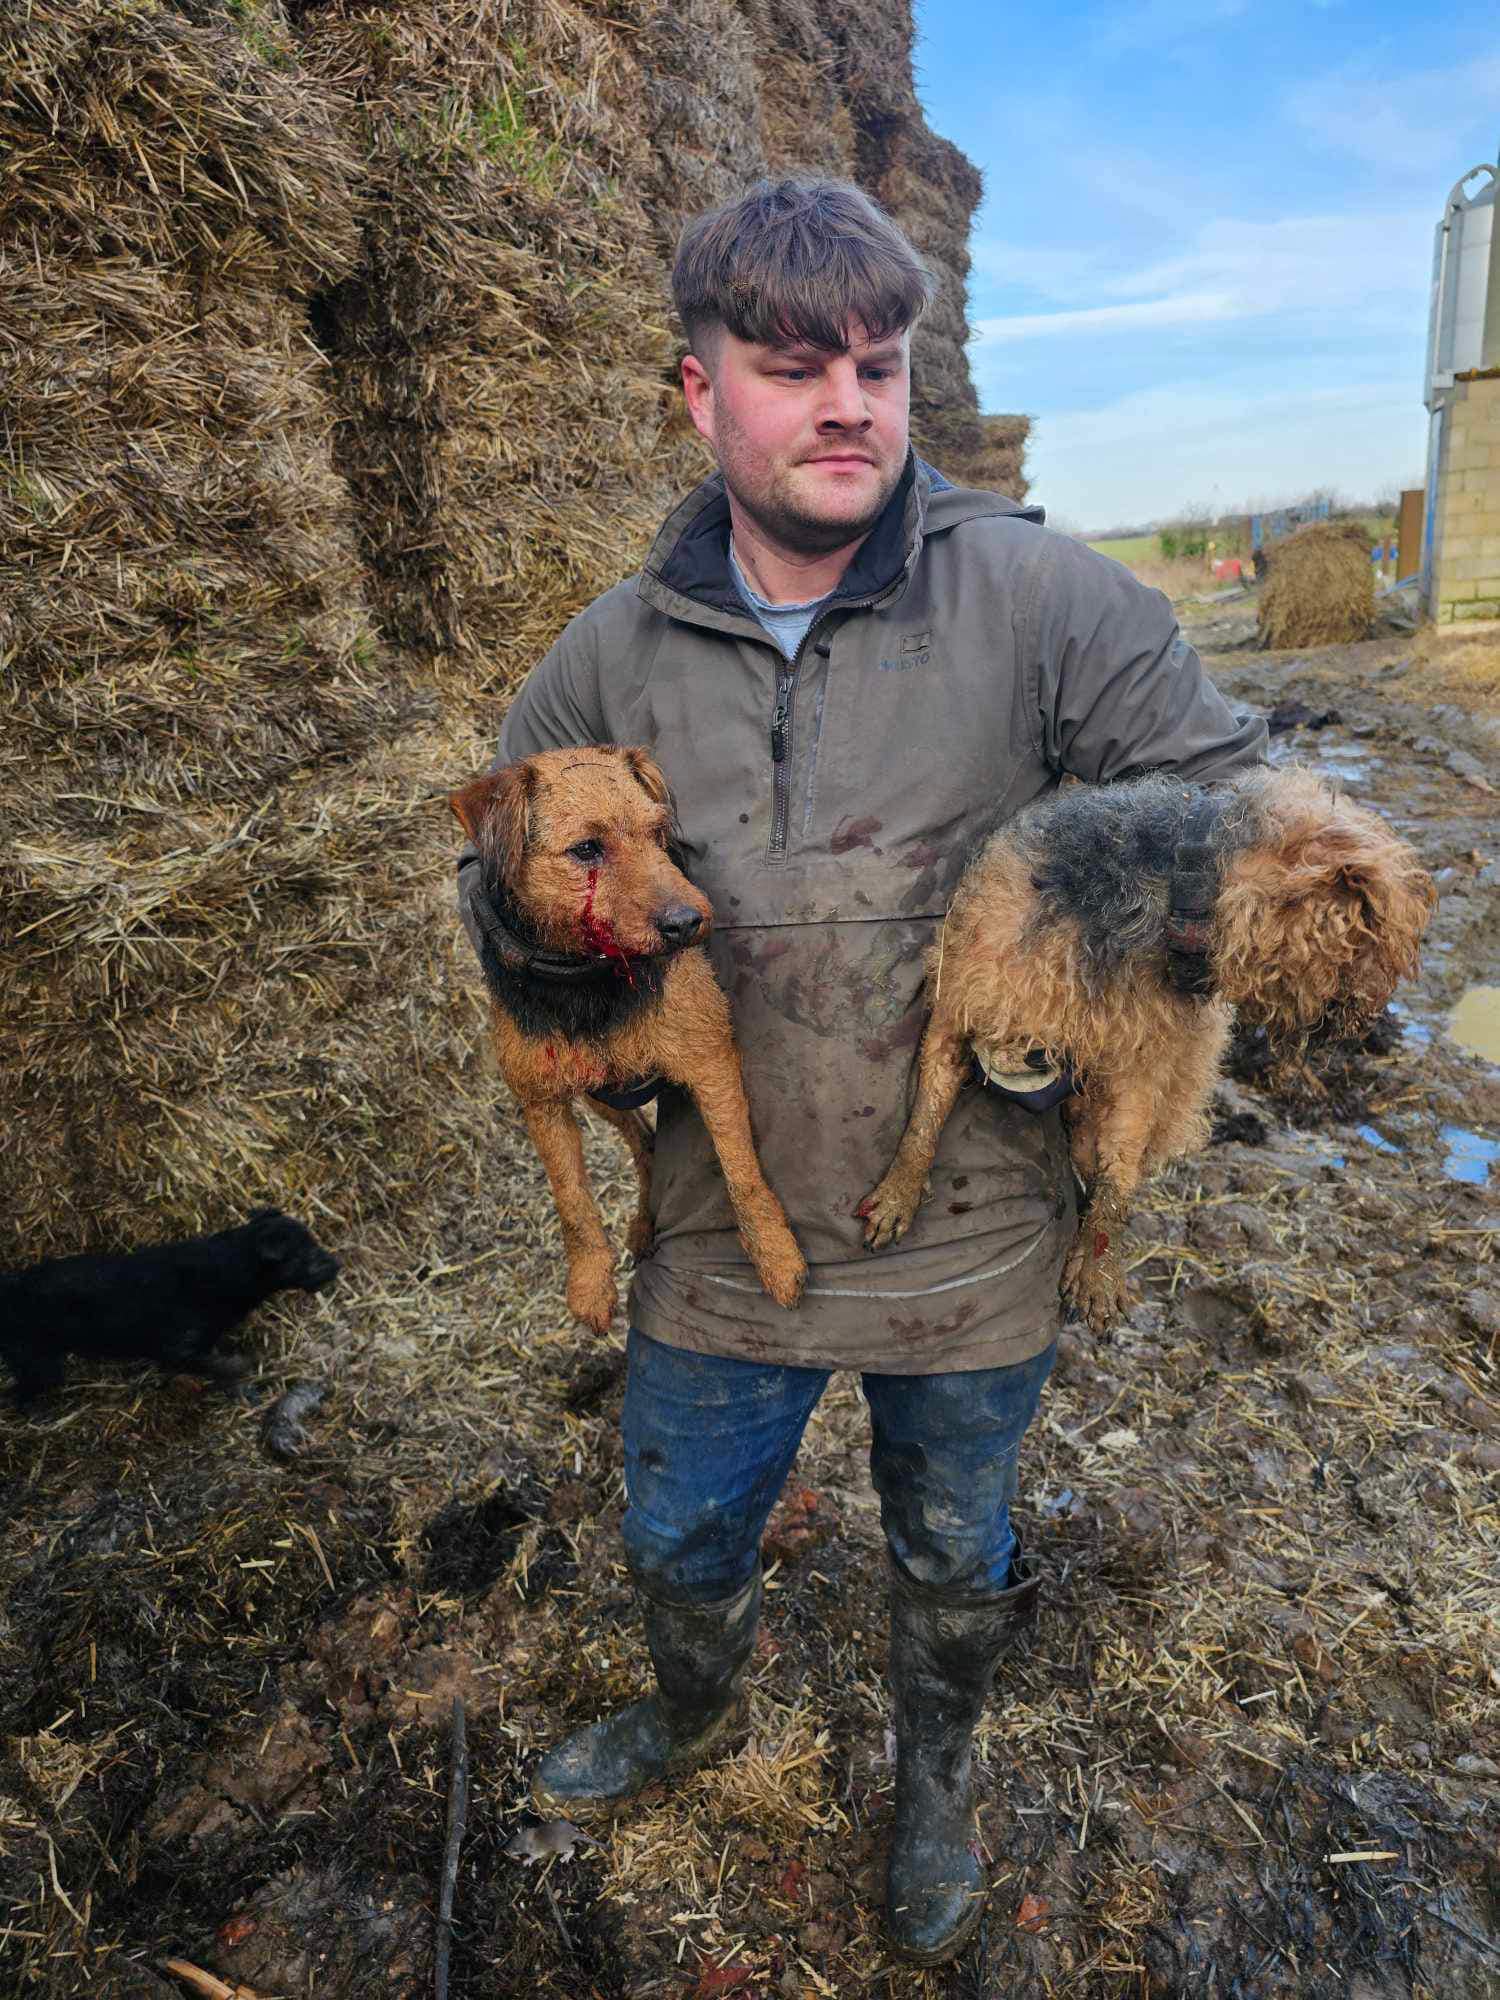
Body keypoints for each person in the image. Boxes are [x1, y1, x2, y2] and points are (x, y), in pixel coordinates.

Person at [457, 177, 1267, 1966]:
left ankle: (936, 1784)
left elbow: (1237, 818)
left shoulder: (1043, 599)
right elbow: (497, 881)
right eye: (794, 364)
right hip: (716, 1245)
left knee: (950, 1552)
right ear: (696, 393)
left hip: (972, 1238)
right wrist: (574, 995)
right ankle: (690, 1713)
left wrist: (1179, 942)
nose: (849, 404)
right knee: (676, 1536)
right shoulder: (609, 652)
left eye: (881, 367)